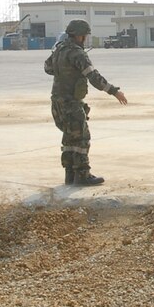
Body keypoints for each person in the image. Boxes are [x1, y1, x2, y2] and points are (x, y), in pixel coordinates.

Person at [44, 19, 128, 185]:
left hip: (57, 102)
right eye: (85, 36)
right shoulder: (77, 53)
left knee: (69, 139)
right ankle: (82, 175)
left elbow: (48, 68)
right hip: (71, 104)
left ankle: (70, 174)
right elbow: (93, 77)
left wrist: (64, 72)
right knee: (82, 139)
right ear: (80, 36)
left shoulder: (59, 49)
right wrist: (114, 91)